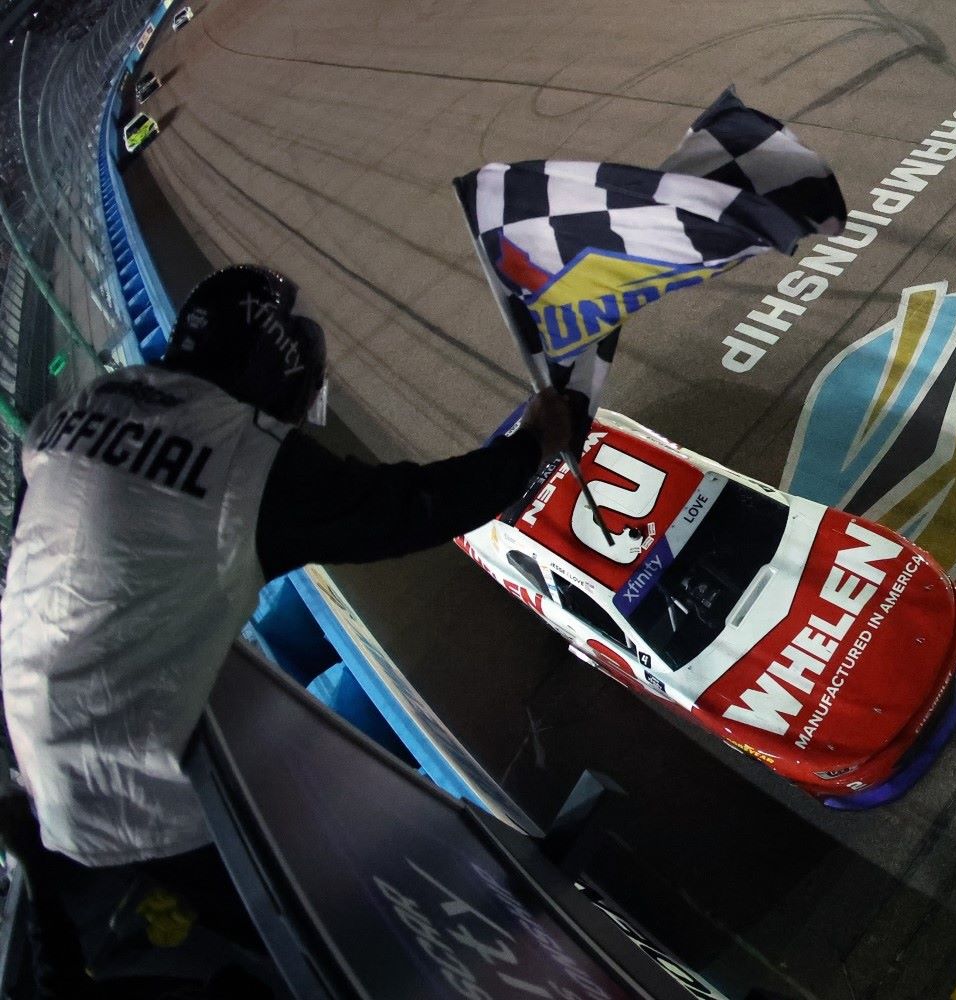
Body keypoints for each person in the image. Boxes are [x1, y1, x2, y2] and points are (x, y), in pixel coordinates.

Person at [0, 264, 574, 990]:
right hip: (140, 811)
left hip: (40, 770)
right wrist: (530, 447)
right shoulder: (243, 459)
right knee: (344, 953)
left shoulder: (72, 413)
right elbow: (412, 506)